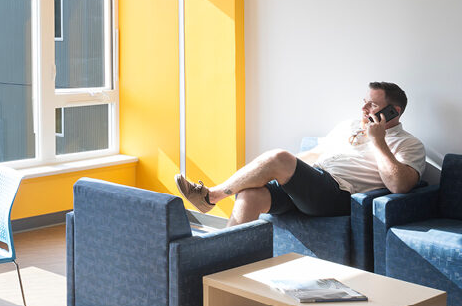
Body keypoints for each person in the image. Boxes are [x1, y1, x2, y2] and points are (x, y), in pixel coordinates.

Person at [175, 81, 425, 227]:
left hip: (337, 195)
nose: (363, 108)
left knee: (279, 157)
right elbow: (315, 154)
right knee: (251, 195)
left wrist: (378, 141)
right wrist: (279, 173)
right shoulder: (348, 125)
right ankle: (226, 264)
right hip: (312, 185)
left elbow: (400, 186)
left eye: (372, 104)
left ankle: (211, 197)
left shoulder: (408, 144)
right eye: (364, 101)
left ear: (393, 111)